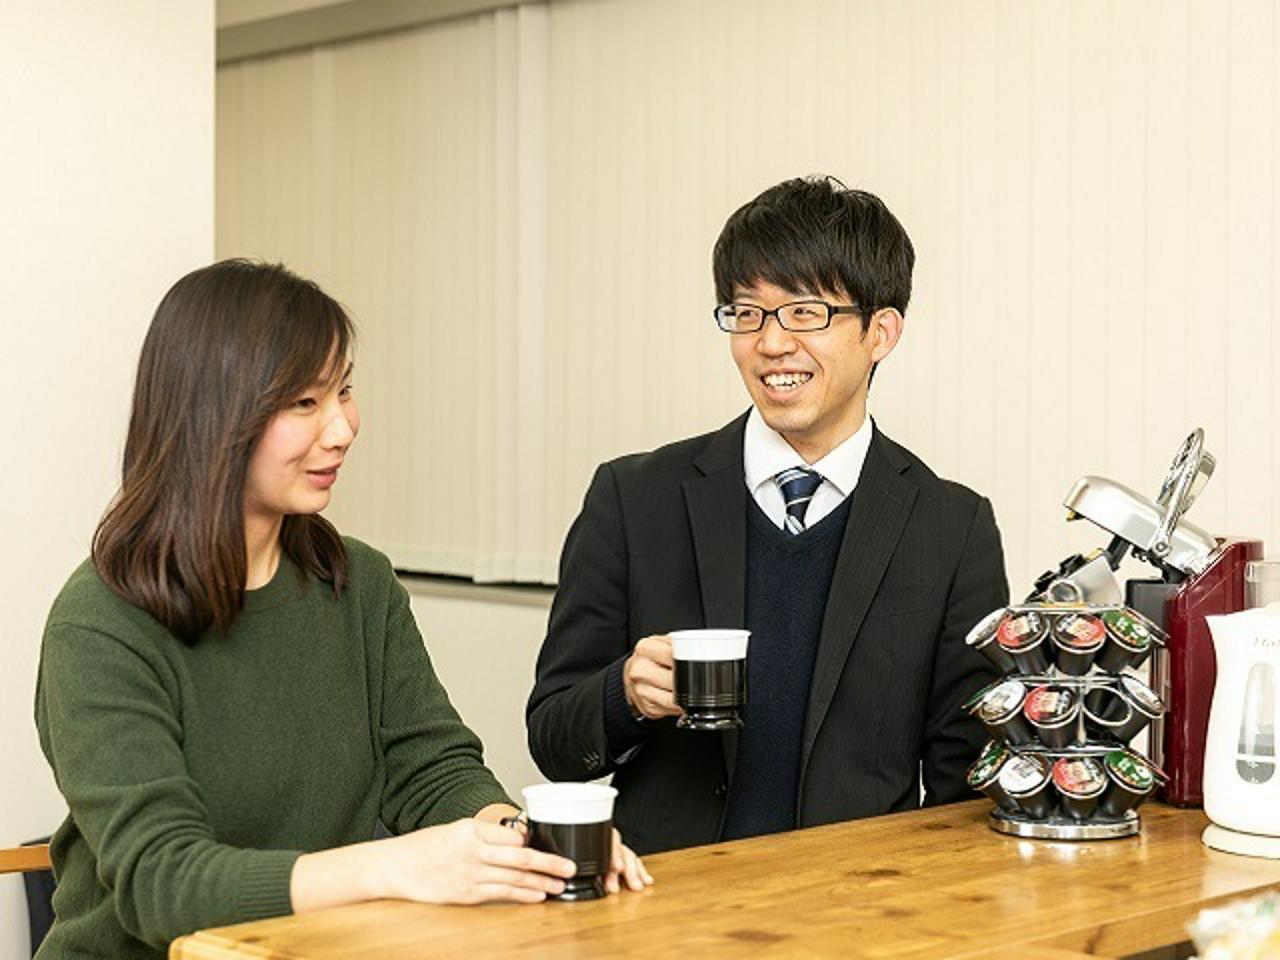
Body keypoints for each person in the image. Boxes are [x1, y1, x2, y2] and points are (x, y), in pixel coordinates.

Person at [34, 261, 649, 960]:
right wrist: (398, 865)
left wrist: (530, 844)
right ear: (213, 415)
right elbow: (162, 884)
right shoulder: (101, 623)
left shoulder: (357, 584)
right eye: (304, 402)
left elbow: (432, 768)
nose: (342, 428)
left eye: (345, 391)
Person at [527, 176, 1009, 854]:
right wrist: (623, 694)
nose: (772, 342)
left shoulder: (951, 528)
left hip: (859, 899)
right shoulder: (634, 498)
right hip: (672, 893)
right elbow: (553, 740)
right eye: (748, 312)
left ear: (881, 332)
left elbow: (970, 784)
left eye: (805, 312)